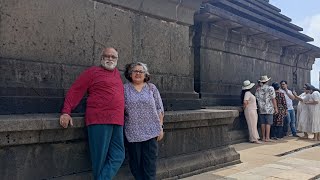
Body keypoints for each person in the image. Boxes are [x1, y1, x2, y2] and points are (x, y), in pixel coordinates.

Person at [59, 47, 125, 180]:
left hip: (117, 120)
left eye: (113, 57)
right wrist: (66, 112)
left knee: (119, 155)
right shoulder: (92, 72)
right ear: (101, 58)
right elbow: (75, 91)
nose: (110, 59)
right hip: (99, 120)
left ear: (117, 59)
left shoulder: (117, 74)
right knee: (99, 160)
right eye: (107, 56)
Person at [124, 62, 164, 180]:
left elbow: (159, 108)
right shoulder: (124, 89)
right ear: (130, 74)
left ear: (145, 74)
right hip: (133, 132)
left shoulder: (152, 88)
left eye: (141, 71)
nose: (138, 73)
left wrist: (160, 127)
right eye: (135, 71)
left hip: (151, 132)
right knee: (135, 165)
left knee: (150, 166)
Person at [255, 75, 278, 142]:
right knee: (268, 123)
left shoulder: (258, 89)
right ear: (267, 81)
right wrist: (276, 107)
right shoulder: (270, 88)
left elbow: (257, 98)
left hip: (261, 108)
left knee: (262, 123)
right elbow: (273, 98)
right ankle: (267, 137)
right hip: (269, 108)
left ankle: (263, 137)